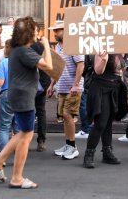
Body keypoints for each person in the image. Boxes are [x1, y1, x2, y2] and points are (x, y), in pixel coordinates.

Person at [0, 17, 52, 189]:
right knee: (26, 136)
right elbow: (49, 66)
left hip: (18, 94)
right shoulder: (24, 51)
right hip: (23, 96)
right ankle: (16, 177)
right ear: (29, 33)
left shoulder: (17, 49)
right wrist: (46, 45)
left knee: (23, 133)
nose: (38, 35)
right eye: (36, 32)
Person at [48, 21, 85, 161]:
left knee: (68, 115)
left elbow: (81, 65)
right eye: (54, 30)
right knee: (64, 116)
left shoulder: (74, 44)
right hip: (63, 86)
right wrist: (52, 84)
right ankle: (68, 144)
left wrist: (75, 85)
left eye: (57, 30)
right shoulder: (58, 46)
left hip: (73, 87)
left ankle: (73, 147)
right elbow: (58, 67)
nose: (55, 33)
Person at [83, 49, 124, 168]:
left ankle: (107, 152)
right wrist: (104, 60)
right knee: (100, 123)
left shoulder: (120, 49)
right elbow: (98, 70)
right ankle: (89, 155)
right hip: (101, 89)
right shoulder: (102, 49)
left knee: (108, 123)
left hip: (114, 88)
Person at [0, 39, 14, 150]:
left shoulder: (4, 63)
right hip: (21, 94)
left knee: (4, 127)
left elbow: (0, 82)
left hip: (7, 93)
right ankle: (18, 155)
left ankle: (2, 157)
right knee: (18, 128)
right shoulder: (22, 62)